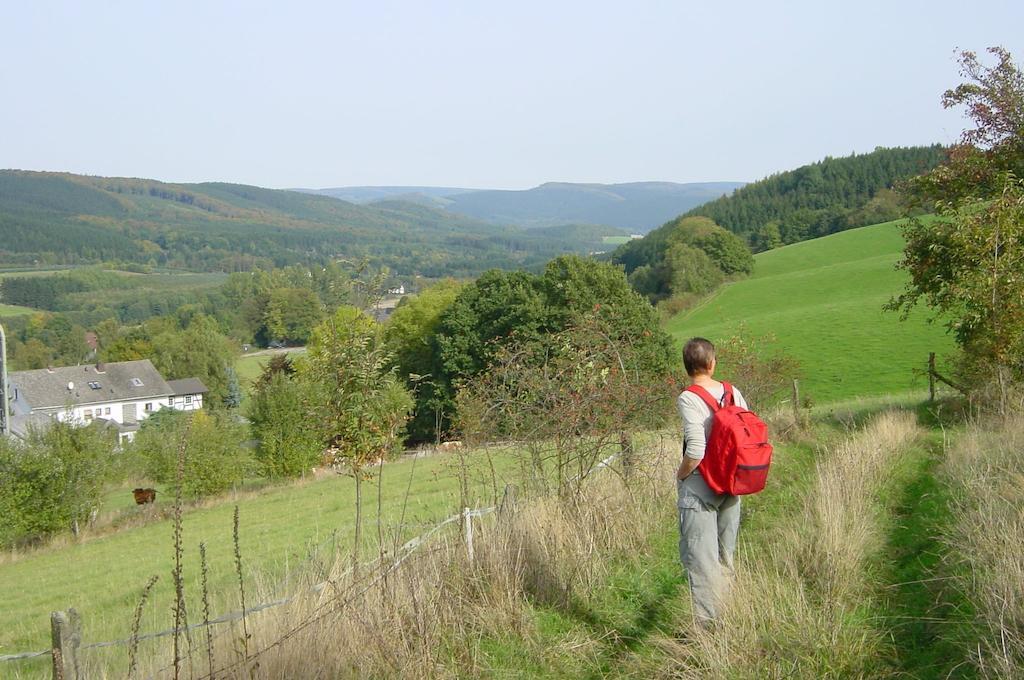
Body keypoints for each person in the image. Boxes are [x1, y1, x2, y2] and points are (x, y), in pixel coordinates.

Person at [676, 336, 748, 625]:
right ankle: (729, 618)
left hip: (702, 487)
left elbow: (695, 448)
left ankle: (708, 633)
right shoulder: (733, 392)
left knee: (702, 563)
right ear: (712, 363)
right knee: (725, 557)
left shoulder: (688, 397)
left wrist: (681, 475)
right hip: (732, 484)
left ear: (687, 367)